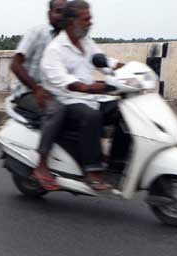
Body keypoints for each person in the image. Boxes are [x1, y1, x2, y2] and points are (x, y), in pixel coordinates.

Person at [41, 0, 127, 191]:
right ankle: (92, 172)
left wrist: (128, 69)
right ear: (72, 21)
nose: (90, 23)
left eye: (90, 19)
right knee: (91, 116)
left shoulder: (86, 43)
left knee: (126, 111)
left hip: (92, 98)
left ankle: (117, 165)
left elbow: (104, 62)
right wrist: (89, 88)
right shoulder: (55, 50)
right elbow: (64, 81)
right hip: (67, 101)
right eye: (86, 19)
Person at [10, 0, 68, 189]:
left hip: (56, 92)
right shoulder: (38, 33)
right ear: (49, 13)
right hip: (28, 92)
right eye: (58, 11)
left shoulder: (68, 39)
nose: (62, 16)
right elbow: (15, 64)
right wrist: (36, 89)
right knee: (55, 110)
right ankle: (41, 165)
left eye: (65, 12)